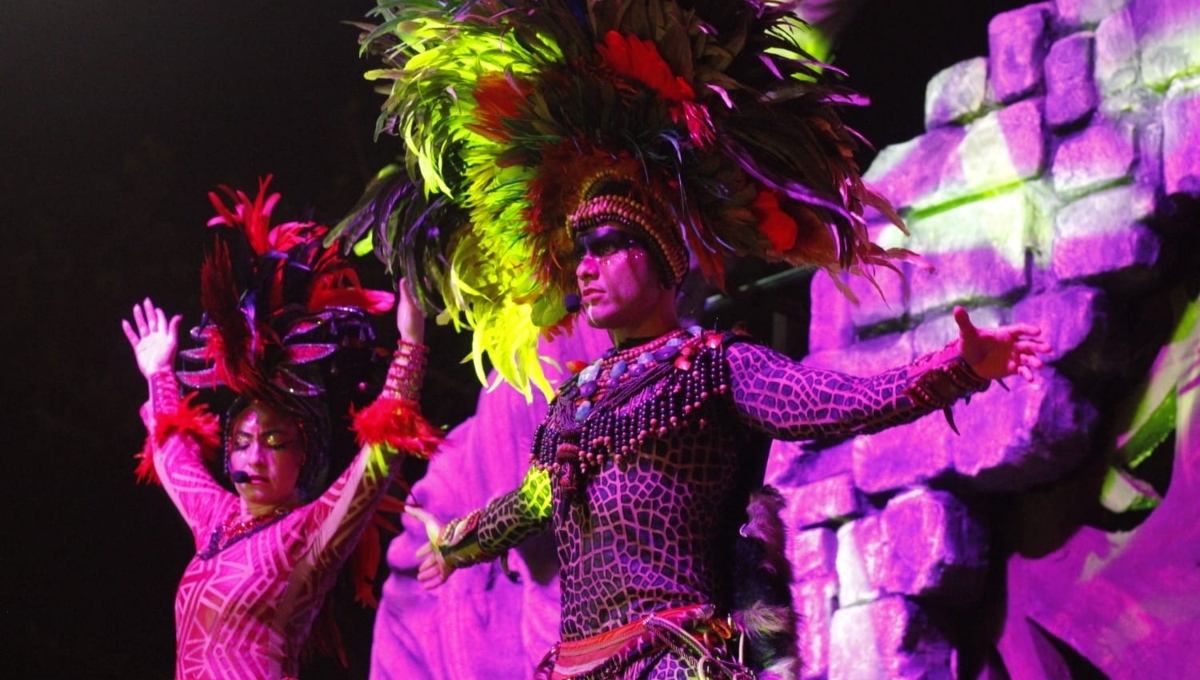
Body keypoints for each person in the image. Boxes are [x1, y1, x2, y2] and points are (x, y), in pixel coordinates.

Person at [331, 1, 1050, 677]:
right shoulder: (575, 398)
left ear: (666, 260)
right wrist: (458, 544)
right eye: (580, 248)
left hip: (675, 659)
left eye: (609, 245)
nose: (586, 265)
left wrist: (956, 369)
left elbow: (832, 402)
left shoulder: (715, 366)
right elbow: (540, 498)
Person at [122, 178, 440, 680]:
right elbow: (172, 453)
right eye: (242, 443)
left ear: (305, 458)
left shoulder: (307, 534)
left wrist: (411, 344)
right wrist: (159, 373)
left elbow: (378, 459)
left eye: (274, 443)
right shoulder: (217, 521)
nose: (253, 457)